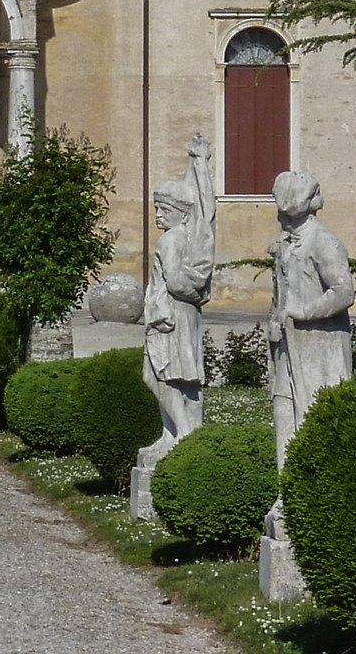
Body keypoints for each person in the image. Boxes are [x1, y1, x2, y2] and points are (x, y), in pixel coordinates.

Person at [266, 170, 355, 464]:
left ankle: (318, 491)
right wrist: (275, 319)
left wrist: (305, 312)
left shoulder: (324, 242)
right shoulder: (287, 246)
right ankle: (285, 494)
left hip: (321, 348)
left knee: (318, 421)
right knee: (284, 415)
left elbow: (344, 292)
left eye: (287, 217)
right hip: (290, 350)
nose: (282, 221)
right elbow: (281, 294)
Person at [140, 132, 216, 464]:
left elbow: (172, 281)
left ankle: (182, 433)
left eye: (163, 208)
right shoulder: (187, 235)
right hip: (185, 313)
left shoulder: (169, 241)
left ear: (179, 212)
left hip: (169, 316)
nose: (158, 214)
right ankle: (173, 434)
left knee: (159, 374)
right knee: (184, 377)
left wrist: (187, 290)